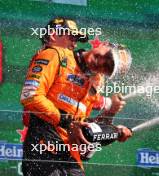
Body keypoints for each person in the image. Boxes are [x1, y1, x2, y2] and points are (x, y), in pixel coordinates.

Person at [20, 17, 132, 176]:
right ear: (103, 45)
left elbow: (85, 126)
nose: (103, 62)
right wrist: (69, 122)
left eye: (108, 67)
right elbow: (30, 96)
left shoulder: (97, 81)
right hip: (43, 146)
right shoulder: (56, 55)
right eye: (107, 56)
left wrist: (113, 127)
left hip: (72, 157)